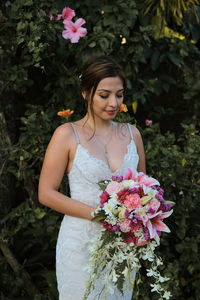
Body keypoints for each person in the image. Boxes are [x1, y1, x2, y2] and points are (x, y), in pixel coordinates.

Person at [38, 56, 146, 300]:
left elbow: (143, 192)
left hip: (121, 247)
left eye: (119, 95)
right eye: (104, 95)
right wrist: (100, 215)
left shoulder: (133, 134)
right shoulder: (67, 134)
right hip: (79, 243)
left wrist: (142, 216)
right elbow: (46, 192)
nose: (113, 103)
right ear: (86, 93)